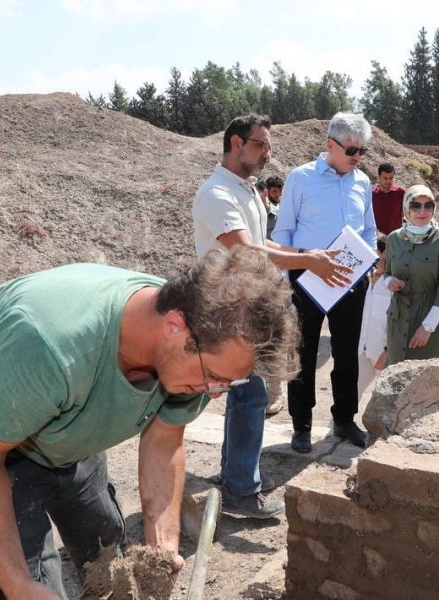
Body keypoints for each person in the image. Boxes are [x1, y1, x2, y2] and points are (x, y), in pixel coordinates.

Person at [0, 248, 300, 598]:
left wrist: (162, 547)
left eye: (227, 383)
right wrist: (16, 583)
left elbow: (165, 440)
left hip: (68, 430)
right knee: (26, 583)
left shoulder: (195, 346)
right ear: (175, 326)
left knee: (106, 549)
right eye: (214, 377)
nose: (214, 393)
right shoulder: (51, 347)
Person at [192, 114, 349, 516]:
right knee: (249, 396)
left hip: (250, 305)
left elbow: (259, 242)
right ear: (235, 144)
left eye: (267, 144)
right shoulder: (216, 194)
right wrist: (306, 260)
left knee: (248, 396)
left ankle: (234, 481)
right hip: (230, 310)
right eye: (260, 144)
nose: (267, 152)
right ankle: (242, 492)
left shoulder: (245, 191)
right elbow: (245, 250)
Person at [273, 112, 378, 453]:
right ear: (330, 145)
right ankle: (301, 425)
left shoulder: (361, 182)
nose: (357, 158)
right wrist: (290, 275)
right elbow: (282, 232)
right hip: (306, 276)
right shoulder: (300, 179)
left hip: (350, 279)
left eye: (362, 151)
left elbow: (368, 229)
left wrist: (368, 263)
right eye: (351, 151)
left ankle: (345, 419)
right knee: (302, 351)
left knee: (346, 354)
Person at [384, 184, 439, 364]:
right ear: (406, 207)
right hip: (399, 321)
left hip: (432, 323)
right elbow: (387, 273)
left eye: (428, 206)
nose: (422, 211)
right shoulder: (393, 239)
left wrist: (428, 327)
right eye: (415, 205)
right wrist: (390, 281)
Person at [357, 232, 392, 401]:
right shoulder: (363, 278)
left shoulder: (393, 283)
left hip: (384, 352)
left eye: (374, 251)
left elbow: (398, 321)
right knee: (349, 397)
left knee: (387, 401)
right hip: (362, 349)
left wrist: (387, 353)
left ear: (384, 253)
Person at [372, 163, 406, 235]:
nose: (388, 181)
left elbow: (407, 214)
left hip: (397, 237)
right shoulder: (372, 195)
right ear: (379, 177)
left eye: (391, 178)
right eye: (385, 178)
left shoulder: (400, 192)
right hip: (377, 238)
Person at [265, 175, 284, 240]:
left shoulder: (283, 205)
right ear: (267, 191)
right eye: (274, 191)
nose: (278, 194)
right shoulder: (263, 206)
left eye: (280, 191)